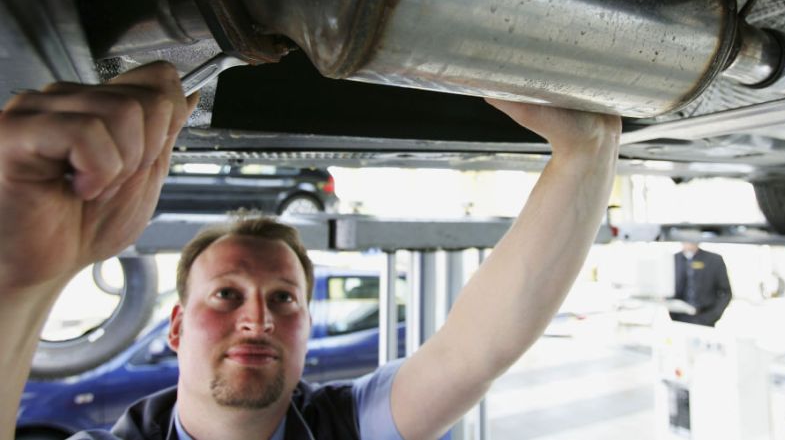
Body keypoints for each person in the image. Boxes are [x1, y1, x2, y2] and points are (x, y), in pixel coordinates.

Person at [0, 62, 621, 440]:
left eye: (284, 298)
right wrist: (23, 280)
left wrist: (584, 156)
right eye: (226, 294)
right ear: (176, 326)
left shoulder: (350, 426)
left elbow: (474, 352)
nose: (258, 317)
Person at [669, 241, 732, 327]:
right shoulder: (672, 259)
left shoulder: (714, 260)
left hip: (705, 317)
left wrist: (714, 315)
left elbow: (726, 292)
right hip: (678, 318)